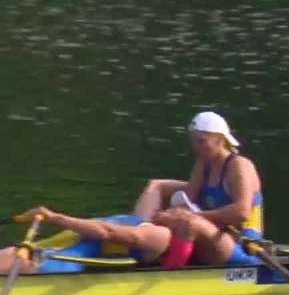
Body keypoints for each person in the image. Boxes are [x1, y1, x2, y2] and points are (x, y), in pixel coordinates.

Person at [132, 111, 264, 266]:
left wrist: (195, 215)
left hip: (243, 244)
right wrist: (169, 216)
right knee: (173, 214)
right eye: (193, 141)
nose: (195, 147)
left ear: (220, 140)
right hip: (213, 234)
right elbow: (188, 202)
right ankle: (141, 238)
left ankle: (170, 271)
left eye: (201, 141)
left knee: (191, 222)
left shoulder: (239, 165)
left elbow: (241, 212)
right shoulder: (203, 164)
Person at [0, 204, 198, 275]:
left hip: (56, 261)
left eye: (176, 210)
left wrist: (55, 217)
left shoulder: (162, 235)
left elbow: (106, 233)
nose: (170, 208)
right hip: (42, 250)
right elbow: (155, 186)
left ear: (179, 222)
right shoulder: (141, 220)